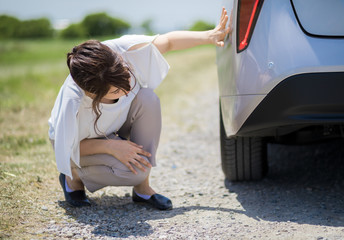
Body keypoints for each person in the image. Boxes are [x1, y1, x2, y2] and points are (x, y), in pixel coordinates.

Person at [48, 8, 229, 210]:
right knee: (135, 171)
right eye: (117, 90)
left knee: (147, 98)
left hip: (110, 127)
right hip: (76, 145)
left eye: (125, 75)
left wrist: (209, 35)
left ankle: (143, 189)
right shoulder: (73, 100)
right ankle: (72, 178)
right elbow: (66, 149)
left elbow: (168, 42)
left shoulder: (122, 52)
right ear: (93, 94)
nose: (127, 89)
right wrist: (110, 147)